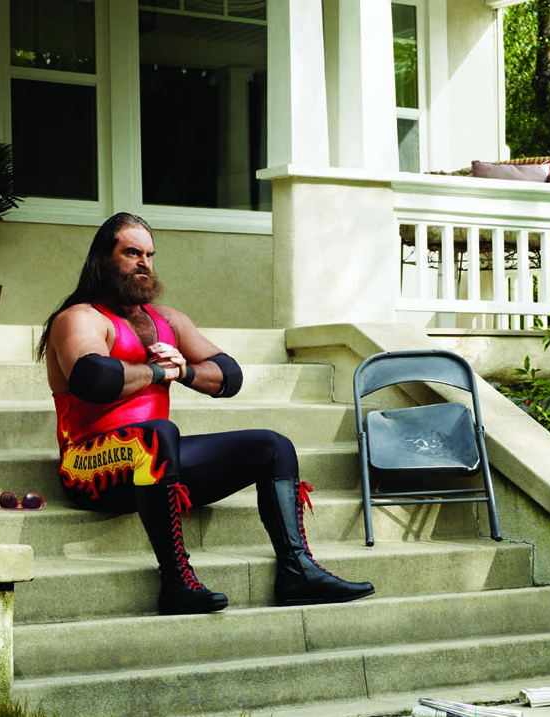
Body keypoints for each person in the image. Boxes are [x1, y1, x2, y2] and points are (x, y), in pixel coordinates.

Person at [37, 212, 374, 615]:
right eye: (132, 253)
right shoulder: (79, 318)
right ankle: (176, 581)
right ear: (102, 259)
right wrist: (160, 371)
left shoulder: (167, 320)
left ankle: (297, 571)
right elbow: (94, 377)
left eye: (149, 255)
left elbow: (228, 375)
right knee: (160, 434)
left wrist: (186, 371)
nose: (144, 263)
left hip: (153, 464)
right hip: (88, 466)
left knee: (272, 446)